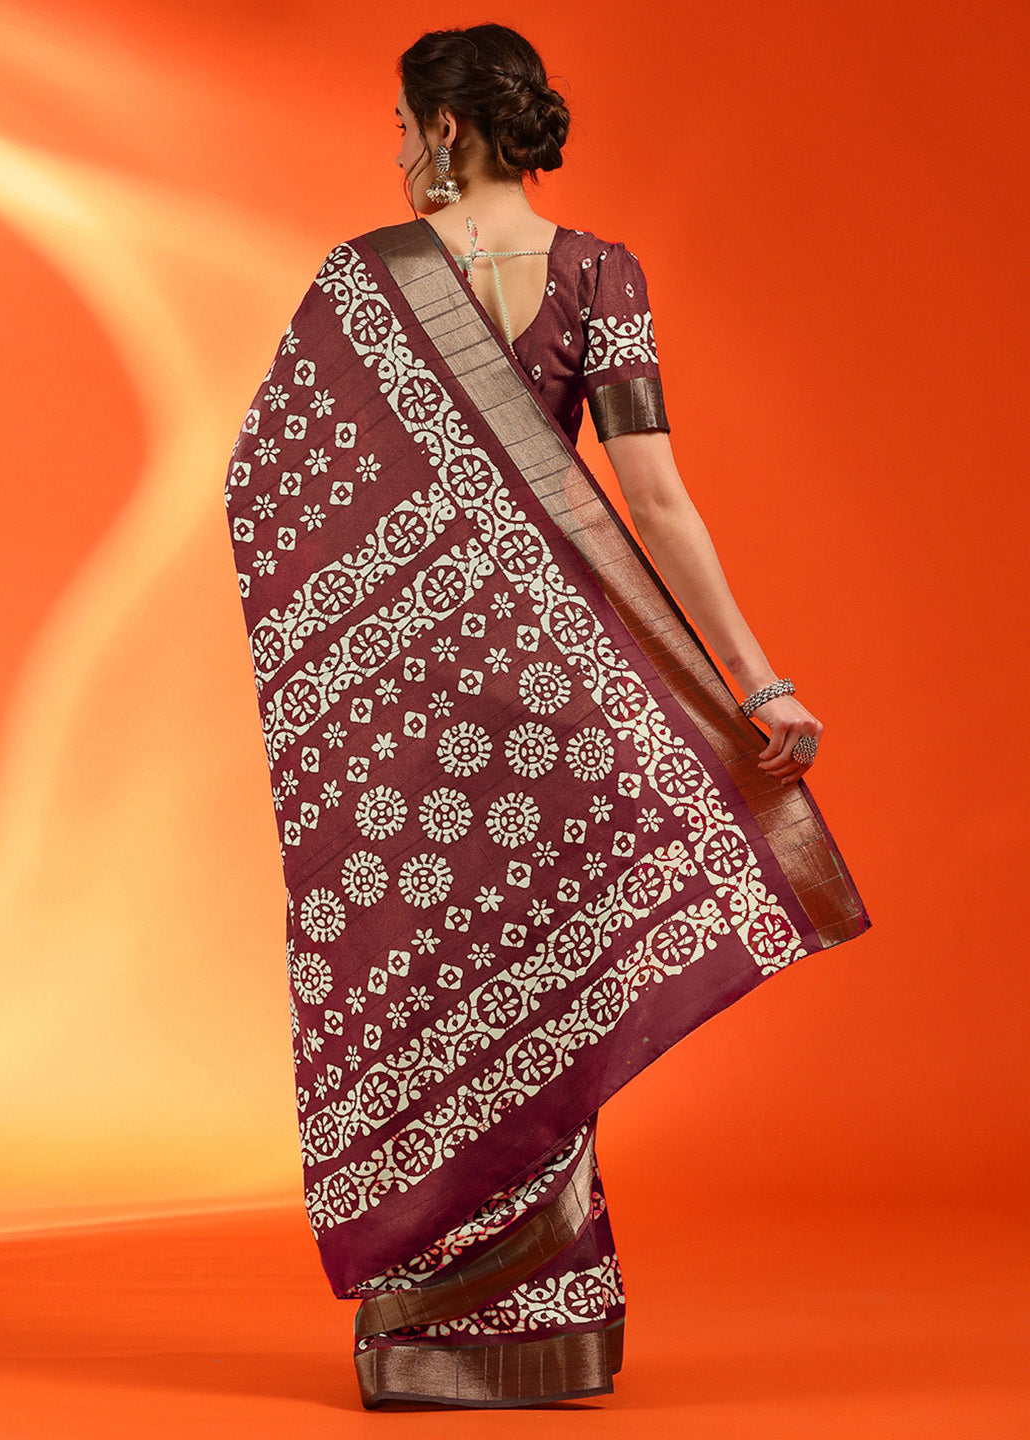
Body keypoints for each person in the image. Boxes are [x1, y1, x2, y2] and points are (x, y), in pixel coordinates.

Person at [223, 22, 872, 1410]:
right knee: (544, 984)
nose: (397, 144)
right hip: (565, 704)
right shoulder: (599, 274)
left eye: (403, 121)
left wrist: (370, 629)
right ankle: (539, 1329)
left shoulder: (361, 280)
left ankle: (431, 1340)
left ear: (446, 130)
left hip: (411, 713)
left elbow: (266, 481)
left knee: (432, 977)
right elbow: (657, 497)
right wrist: (758, 681)